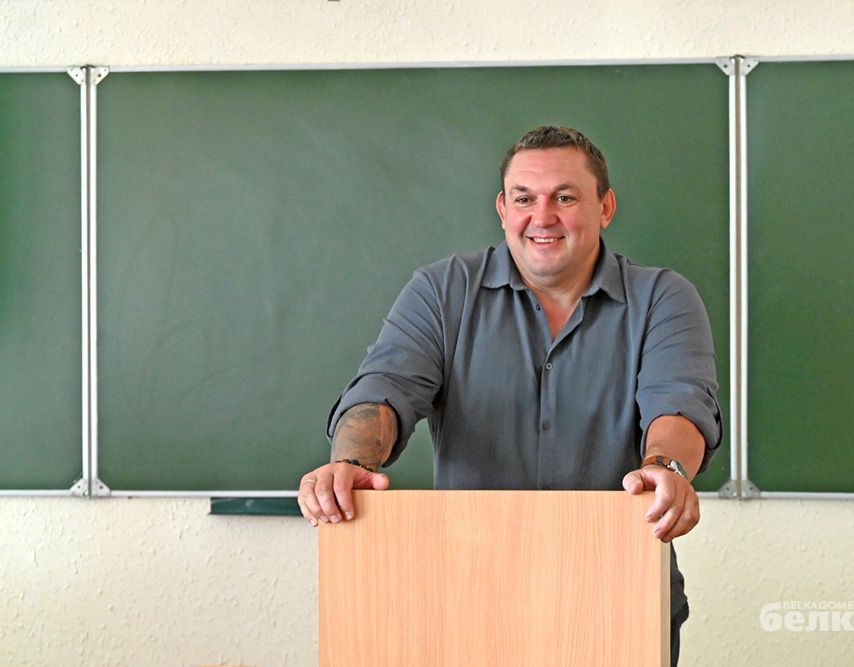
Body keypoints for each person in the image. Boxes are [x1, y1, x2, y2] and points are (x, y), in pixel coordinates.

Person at [297, 125, 722, 665]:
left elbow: (679, 403)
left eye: (564, 198)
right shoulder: (441, 291)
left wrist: (666, 469)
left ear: (605, 207)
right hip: (468, 594)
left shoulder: (663, 298)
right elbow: (384, 389)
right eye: (524, 199)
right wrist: (352, 461)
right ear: (502, 209)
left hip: (618, 591)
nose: (542, 217)